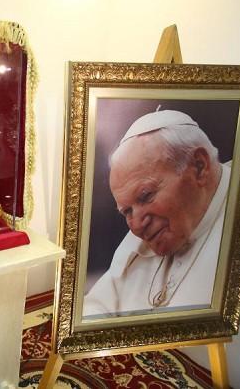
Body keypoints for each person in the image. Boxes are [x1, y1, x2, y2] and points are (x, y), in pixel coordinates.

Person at [84, 110, 230, 317]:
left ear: (199, 167)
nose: (135, 227)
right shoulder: (151, 231)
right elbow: (97, 306)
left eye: (145, 196)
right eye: (127, 211)